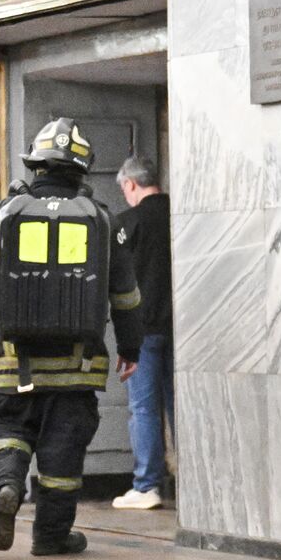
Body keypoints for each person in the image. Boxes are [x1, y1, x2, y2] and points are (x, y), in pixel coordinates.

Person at [0, 117, 143, 556]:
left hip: (15, 363)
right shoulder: (101, 220)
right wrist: (131, 350)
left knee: (10, 432)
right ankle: (51, 537)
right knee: (62, 455)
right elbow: (126, 296)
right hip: (77, 367)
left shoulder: (4, 214)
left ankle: (6, 490)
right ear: (81, 168)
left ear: (36, 165)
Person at [110, 156, 174, 511]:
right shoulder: (178, 215)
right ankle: (193, 481)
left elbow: (119, 280)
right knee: (179, 406)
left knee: (144, 408)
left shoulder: (127, 222)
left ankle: (147, 484)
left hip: (144, 329)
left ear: (131, 184)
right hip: (180, 328)